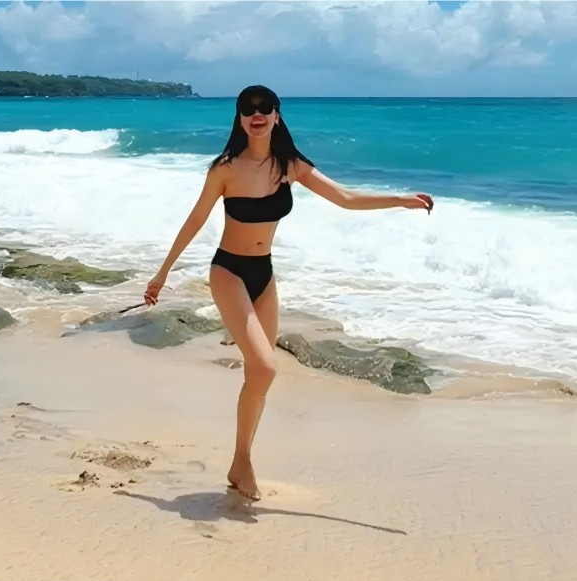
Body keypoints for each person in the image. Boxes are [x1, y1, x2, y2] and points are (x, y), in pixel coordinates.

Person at [144, 85, 433, 501]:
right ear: (239, 118)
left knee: (257, 375)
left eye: (265, 108)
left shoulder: (289, 166)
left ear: (277, 116)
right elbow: (195, 221)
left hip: (264, 275)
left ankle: (241, 462)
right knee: (265, 368)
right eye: (248, 109)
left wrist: (400, 200)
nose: (257, 115)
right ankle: (242, 462)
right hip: (228, 271)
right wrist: (161, 275)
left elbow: (345, 198)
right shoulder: (225, 170)